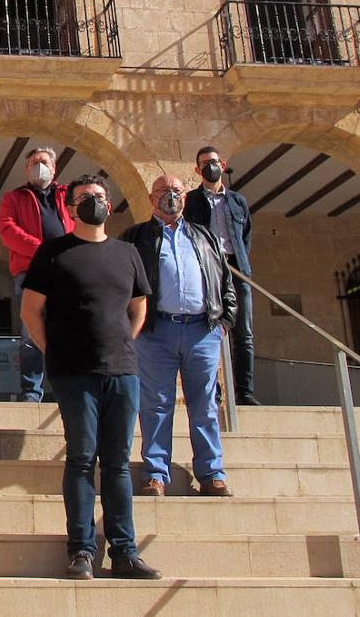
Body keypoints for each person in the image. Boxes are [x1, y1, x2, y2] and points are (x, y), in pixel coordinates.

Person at [20, 174, 160, 580]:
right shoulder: (53, 253)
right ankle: (81, 550)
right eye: (83, 198)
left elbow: (139, 307)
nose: (92, 202)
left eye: (98, 196)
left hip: (122, 371)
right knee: (81, 459)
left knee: (117, 463)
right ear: (70, 206)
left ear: (109, 204)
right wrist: (53, 349)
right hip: (73, 372)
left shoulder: (128, 253)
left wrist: (123, 343)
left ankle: (124, 551)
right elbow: (31, 310)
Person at [121, 175, 237, 498]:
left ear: (185, 198)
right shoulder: (136, 237)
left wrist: (225, 320)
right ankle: (156, 473)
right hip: (156, 332)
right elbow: (121, 282)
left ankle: (212, 474)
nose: (170, 197)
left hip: (203, 331)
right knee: (156, 404)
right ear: (150, 198)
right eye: (163, 192)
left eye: (175, 191)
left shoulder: (204, 237)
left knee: (205, 405)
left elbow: (225, 281)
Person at [184, 145, 258, 405]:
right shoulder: (191, 200)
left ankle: (245, 392)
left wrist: (237, 259)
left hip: (236, 268)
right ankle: (212, 390)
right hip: (207, 269)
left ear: (223, 165)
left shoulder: (237, 200)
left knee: (244, 332)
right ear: (197, 170)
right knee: (208, 328)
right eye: (204, 163)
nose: (210, 166)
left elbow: (245, 235)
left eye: (213, 162)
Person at [0, 146, 74, 401]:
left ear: (54, 168)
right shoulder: (14, 197)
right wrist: (44, 250)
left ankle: (67, 386)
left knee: (69, 327)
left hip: (67, 271)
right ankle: (32, 392)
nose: (38, 166)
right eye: (33, 162)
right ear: (26, 168)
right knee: (30, 331)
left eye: (43, 162)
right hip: (30, 272)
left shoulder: (68, 195)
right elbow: (8, 231)